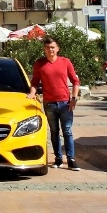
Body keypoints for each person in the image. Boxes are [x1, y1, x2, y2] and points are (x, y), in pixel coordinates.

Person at [28, 36, 81, 171]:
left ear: (57, 49)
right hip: (49, 103)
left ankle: (71, 159)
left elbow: (75, 81)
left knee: (67, 131)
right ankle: (58, 158)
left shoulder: (65, 62)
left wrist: (74, 98)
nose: (50, 50)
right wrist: (31, 94)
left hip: (65, 103)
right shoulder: (40, 64)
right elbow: (34, 83)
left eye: (52, 47)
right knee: (54, 131)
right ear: (44, 49)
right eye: (47, 47)